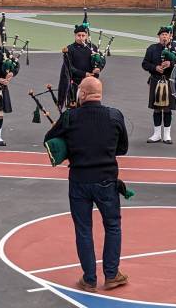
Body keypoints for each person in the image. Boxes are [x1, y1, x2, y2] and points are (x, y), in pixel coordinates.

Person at [44, 77, 128, 292]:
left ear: (82, 94)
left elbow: (50, 139)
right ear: (99, 93)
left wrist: (69, 146)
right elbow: (122, 148)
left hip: (79, 179)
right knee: (112, 226)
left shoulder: (70, 116)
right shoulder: (114, 115)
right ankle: (111, 275)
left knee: (83, 229)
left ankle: (89, 279)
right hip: (106, 179)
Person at [142, 26, 176, 144]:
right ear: (159, 36)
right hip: (156, 80)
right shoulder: (152, 48)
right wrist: (155, 67)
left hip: (169, 81)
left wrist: (171, 63)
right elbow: (145, 64)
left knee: (167, 109)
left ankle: (167, 135)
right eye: (162, 34)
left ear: (170, 36)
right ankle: (156, 134)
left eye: (166, 34)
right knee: (156, 109)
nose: (164, 36)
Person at [58, 25, 105, 109]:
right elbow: (69, 68)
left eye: (83, 35)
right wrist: (84, 74)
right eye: (78, 35)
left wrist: (99, 68)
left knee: (90, 107)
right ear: (75, 36)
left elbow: (102, 59)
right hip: (75, 85)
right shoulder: (70, 49)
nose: (81, 38)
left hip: (90, 85)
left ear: (86, 36)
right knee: (74, 109)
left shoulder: (92, 47)